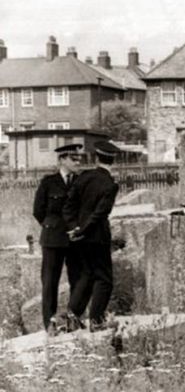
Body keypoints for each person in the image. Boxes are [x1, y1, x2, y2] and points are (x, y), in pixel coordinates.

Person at [63, 141, 121, 332]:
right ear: (113, 160)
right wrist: (84, 230)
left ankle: (72, 316)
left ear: (96, 158)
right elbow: (99, 214)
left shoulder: (83, 177)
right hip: (96, 237)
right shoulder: (110, 184)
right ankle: (96, 321)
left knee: (87, 275)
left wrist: (74, 229)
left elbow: (69, 205)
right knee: (104, 279)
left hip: (79, 238)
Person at [32, 143, 83, 335]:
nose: (78, 162)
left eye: (79, 158)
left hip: (75, 239)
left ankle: (73, 318)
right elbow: (38, 210)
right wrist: (52, 226)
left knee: (77, 279)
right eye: (73, 158)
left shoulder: (81, 181)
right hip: (52, 239)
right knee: (49, 281)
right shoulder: (48, 182)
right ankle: (50, 322)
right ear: (62, 160)